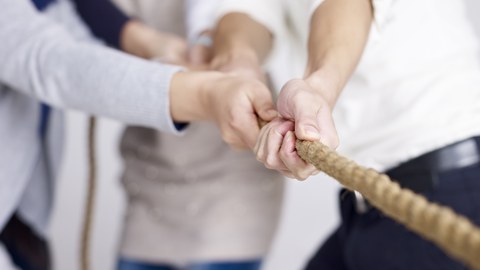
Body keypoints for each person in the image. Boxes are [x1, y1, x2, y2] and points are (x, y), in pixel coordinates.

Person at [0, 0, 277, 269]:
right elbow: (51, 61)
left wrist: (153, 43)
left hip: (229, 200)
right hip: (145, 191)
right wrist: (204, 95)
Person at [208, 0, 480, 269]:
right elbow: (250, 8)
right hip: (372, 201)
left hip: (446, 180)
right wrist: (238, 63)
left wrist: (317, 88)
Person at [107, 1, 284, 270]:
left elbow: (258, 12)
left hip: (233, 191)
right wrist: (143, 42)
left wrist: (237, 57)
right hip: (149, 183)